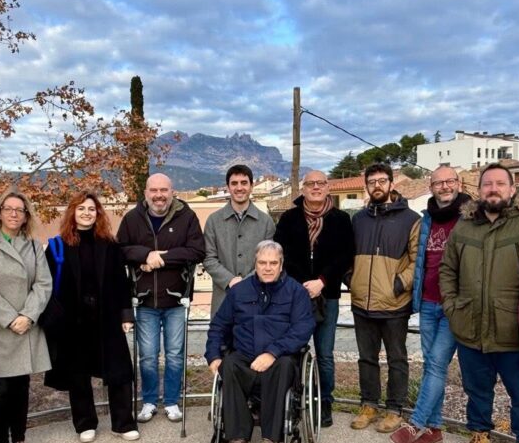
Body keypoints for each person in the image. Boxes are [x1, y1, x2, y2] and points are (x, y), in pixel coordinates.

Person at [440, 162, 519, 443]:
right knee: (476, 390)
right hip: (470, 327)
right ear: (479, 190)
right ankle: (480, 437)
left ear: (512, 189)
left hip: (513, 331)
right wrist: (452, 306)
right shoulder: (464, 227)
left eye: (500, 183)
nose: (493, 189)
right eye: (487, 184)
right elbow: (447, 270)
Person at [205, 240, 316, 443]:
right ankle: (238, 439)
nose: (267, 268)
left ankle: (269, 441)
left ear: (281, 264)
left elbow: (302, 329)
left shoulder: (296, 292)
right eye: (262, 263)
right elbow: (219, 326)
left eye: (273, 263)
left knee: (284, 366)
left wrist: (272, 352)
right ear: (255, 264)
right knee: (229, 364)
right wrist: (213, 355)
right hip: (245, 355)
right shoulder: (239, 291)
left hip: (280, 357)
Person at [43, 192, 138, 443]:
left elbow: (121, 282)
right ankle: (85, 423)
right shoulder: (58, 246)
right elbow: (46, 285)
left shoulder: (110, 245)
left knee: (119, 370)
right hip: (73, 320)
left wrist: (126, 315)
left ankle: (123, 423)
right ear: (72, 213)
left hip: (107, 317)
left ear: (98, 214)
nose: (87, 213)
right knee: (78, 373)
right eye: (81, 208)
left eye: (92, 209)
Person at [391, 166, 471, 443]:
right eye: (439, 182)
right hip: (427, 301)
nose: (445, 186)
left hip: (454, 305)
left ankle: (416, 423)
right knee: (431, 366)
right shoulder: (427, 219)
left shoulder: (470, 218)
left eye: (450, 181)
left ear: (459, 183)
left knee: (436, 363)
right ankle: (434, 429)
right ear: (431, 186)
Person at [0, 190, 52, 443]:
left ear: (26, 216)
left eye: (20, 210)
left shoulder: (32, 246)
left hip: (26, 326)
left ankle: (19, 440)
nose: (14, 214)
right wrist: (10, 318)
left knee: (21, 387)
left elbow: (43, 283)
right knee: (1, 389)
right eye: (8, 208)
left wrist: (28, 315)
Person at [117, 173, 205, 423]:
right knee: (147, 356)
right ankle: (149, 401)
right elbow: (120, 250)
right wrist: (146, 255)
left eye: (164, 190)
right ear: (146, 193)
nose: (159, 195)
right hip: (144, 300)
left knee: (175, 355)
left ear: (172, 192)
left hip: (176, 299)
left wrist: (162, 258)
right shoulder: (132, 219)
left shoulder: (187, 217)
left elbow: (197, 251)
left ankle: (171, 401)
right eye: (154, 190)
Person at [274, 170, 353, 427]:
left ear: (328, 187)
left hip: (327, 295)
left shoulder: (341, 219)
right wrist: (300, 285)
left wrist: (322, 281)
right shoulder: (289, 218)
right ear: (303, 188)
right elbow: (281, 254)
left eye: (320, 183)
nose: (316, 187)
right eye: (311, 183)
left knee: (325, 354)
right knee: (293, 350)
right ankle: (294, 399)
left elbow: (345, 256)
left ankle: (324, 402)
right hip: (294, 296)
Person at [348, 163, 421, 433]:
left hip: (394, 302)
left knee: (396, 358)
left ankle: (394, 409)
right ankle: (369, 405)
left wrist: (399, 284)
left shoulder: (411, 219)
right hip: (362, 302)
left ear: (391, 183)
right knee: (366, 358)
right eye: (372, 182)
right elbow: (347, 255)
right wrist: (351, 280)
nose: (377, 185)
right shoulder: (358, 219)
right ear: (366, 186)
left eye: (382, 180)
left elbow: (417, 260)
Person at [203, 164, 275, 317]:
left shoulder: (266, 222)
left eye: (244, 183)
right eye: (234, 183)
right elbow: (208, 258)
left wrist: (246, 283)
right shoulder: (213, 221)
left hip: (257, 300)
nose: (239, 188)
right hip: (223, 300)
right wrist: (230, 280)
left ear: (251, 186)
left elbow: (270, 261)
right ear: (228, 187)